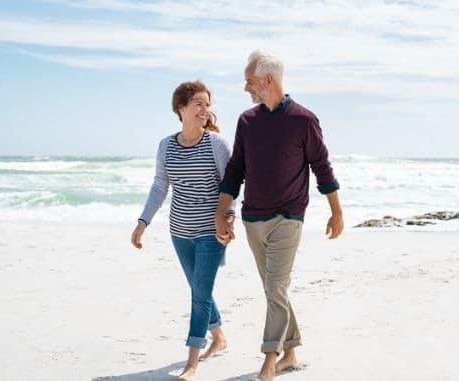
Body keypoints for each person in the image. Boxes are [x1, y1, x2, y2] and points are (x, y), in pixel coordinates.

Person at [215, 50, 344, 381]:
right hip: (251, 219)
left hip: (288, 217)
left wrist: (336, 211)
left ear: (267, 79)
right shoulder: (247, 121)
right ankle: (290, 353)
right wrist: (222, 212)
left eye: (249, 81)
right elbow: (235, 170)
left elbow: (322, 168)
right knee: (276, 290)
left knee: (274, 287)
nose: (246, 88)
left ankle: (269, 361)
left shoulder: (304, 120)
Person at [131, 80, 235, 381]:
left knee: (199, 295)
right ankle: (220, 337)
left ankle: (192, 362)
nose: (205, 110)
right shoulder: (166, 145)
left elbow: (230, 186)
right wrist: (143, 221)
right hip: (179, 230)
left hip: (210, 231)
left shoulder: (216, 144)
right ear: (181, 109)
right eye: (198, 104)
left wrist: (228, 217)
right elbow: (160, 186)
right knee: (198, 289)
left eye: (207, 104)